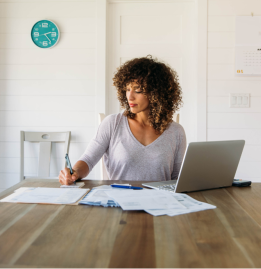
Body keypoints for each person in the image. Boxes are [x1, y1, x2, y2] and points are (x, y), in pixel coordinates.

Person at [59, 56, 186, 185]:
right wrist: (74, 172)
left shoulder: (176, 132)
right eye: (127, 89)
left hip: (160, 202)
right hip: (119, 201)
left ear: (157, 93)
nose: (130, 96)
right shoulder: (112, 123)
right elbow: (88, 160)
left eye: (138, 90)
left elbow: (177, 179)